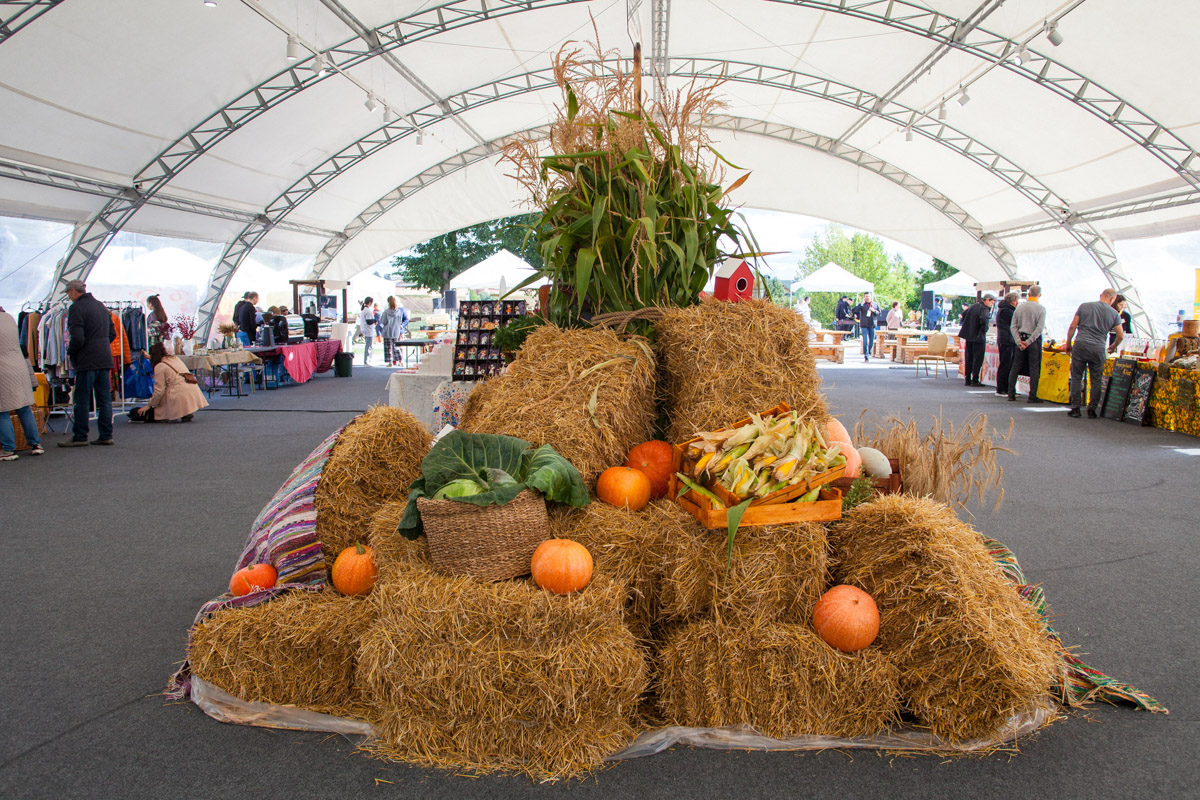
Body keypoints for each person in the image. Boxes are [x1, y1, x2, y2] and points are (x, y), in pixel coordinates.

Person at [59, 279, 116, 447]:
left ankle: (80, 436)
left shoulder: (76, 308)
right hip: (104, 358)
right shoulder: (100, 306)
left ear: (74, 292)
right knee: (104, 399)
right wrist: (101, 345)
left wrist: (71, 352)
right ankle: (106, 434)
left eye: (68, 293)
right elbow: (111, 333)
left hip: (86, 359)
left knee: (82, 399)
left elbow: (76, 337)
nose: (68, 296)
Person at [1065, 288, 1123, 418]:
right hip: (1098, 348)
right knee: (1096, 380)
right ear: (1112, 299)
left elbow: (1073, 326)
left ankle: (1075, 408)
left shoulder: (1084, 306)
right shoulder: (1114, 314)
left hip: (1080, 345)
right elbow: (1120, 335)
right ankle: (1092, 410)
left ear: (1101, 295)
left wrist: (1068, 343)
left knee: (1076, 377)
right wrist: (1113, 347)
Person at [129, 342, 209, 423]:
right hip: (192, 390)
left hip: (177, 394)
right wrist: (149, 357)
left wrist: (149, 405)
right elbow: (163, 360)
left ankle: (176, 412)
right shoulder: (175, 359)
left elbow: (159, 391)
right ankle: (184, 411)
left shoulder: (159, 367)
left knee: (158, 410)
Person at [0, 311, 44, 460]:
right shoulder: (9, 318)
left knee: (2, 410)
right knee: (24, 407)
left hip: (3, 369)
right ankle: (36, 444)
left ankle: (8, 450)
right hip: (19, 366)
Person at [1008, 285, 1046, 403]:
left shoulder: (1020, 307)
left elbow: (1013, 326)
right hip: (1033, 342)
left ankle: (1011, 393)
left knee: (1015, 366)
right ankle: (1032, 395)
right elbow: (1039, 329)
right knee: (1034, 368)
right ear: (1039, 295)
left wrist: (1018, 341)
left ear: (1028, 294)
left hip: (1020, 339)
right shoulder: (1041, 309)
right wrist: (1029, 342)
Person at [957, 293, 996, 387]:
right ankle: (975, 379)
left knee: (969, 357)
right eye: (992, 302)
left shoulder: (974, 306)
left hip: (969, 335)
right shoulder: (984, 309)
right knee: (977, 358)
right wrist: (984, 329)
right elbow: (983, 321)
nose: (992, 304)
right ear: (987, 300)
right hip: (978, 336)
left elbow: (963, 315)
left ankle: (967, 379)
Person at [993, 292, 1019, 397]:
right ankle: (1002, 389)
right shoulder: (1007, 311)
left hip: (1005, 339)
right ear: (1013, 301)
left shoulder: (1003, 309)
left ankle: (1005, 388)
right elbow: (1015, 324)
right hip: (1007, 340)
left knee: (1006, 364)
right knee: (1006, 364)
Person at [378, 296, 407, 367]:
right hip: (396, 331)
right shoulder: (398, 312)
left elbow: (383, 321)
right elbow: (400, 321)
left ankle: (390, 362)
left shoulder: (386, 312)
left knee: (388, 347)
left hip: (387, 331)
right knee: (396, 346)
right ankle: (401, 360)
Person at [851, 292, 879, 362]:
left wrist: (874, 311)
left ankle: (869, 351)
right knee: (865, 341)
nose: (868, 298)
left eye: (869, 296)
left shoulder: (874, 304)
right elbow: (855, 311)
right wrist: (861, 305)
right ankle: (866, 355)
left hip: (872, 324)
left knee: (872, 341)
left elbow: (879, 313)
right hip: (864, 325)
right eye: (866, 296)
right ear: (864, 297)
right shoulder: (862, 305)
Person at [357, 297, 377, 366]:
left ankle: (368, 360)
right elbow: (369, 321)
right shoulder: (368, 311)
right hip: (368, 329)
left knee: (368, 345)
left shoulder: (364, 310)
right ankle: (366, 360)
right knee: (369, 346)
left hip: (365, 329)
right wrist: (375, 320)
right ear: (370, 303)